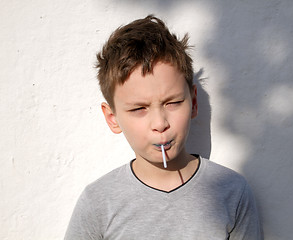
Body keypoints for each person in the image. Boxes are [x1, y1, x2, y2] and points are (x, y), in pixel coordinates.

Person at [65, 15, 262, 240]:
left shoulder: (232, 191)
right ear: (112, 118)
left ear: (193, 103)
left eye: (173, 103)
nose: (160, 124)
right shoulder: (98, 203)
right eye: (139, 108)